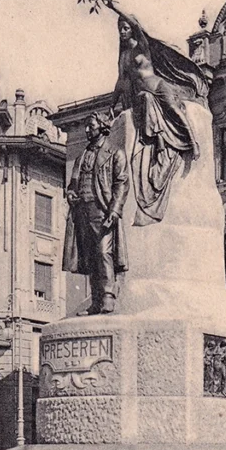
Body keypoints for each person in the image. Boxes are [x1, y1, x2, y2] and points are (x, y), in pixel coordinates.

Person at [110, 9, 207, 226]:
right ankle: (161, 141)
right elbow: (120, 81)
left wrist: (112, 6)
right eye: (120, 29)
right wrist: (111, 103)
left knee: (174, 111)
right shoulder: (124, 56)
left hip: (159, 87)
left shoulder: (141, 46)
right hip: (144, 94)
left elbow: (136, 22)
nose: (123, 32)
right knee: (146, 104)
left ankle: (192, 141)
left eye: (125, 28)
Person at [62, 112, 129, 315]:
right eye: (86, 126)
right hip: (82, 211)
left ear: (102, 126)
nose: (87, 130)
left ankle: (108, 296)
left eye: (91, 126)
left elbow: (122, 183)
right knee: (90, 257)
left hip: (102, 209)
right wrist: (71, 194)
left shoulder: (115, 153)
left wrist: (115, 210)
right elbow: (72, 184)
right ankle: (96, 301)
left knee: (103, 252)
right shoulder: (81, 156)